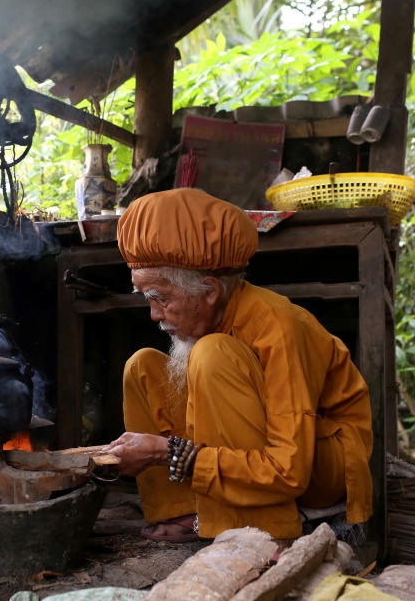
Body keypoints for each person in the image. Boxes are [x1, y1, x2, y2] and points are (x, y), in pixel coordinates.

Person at [102, 188, 373, 542]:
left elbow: (289, 470)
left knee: (212, 353)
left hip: (321, 465)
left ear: (210, 291)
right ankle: (182, 511)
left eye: (161, 299)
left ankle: (256, 531)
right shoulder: (214, 317)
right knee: (143, 366)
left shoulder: (278, 326)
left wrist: (163, 451)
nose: (155, 315)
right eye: (148, 300)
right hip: (267, 458)